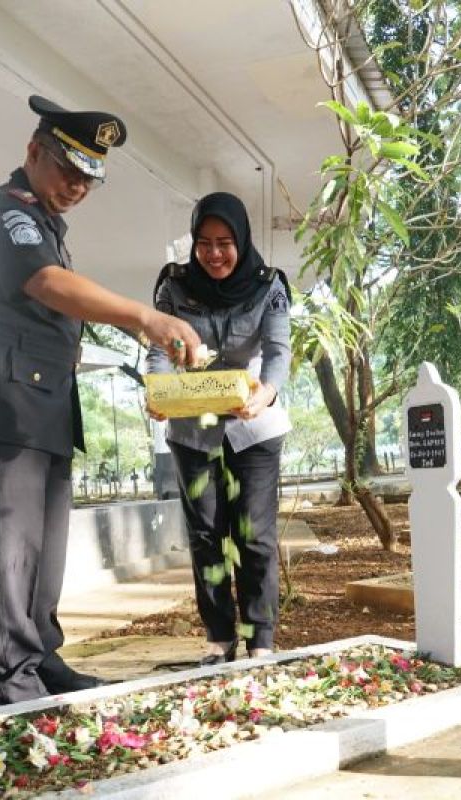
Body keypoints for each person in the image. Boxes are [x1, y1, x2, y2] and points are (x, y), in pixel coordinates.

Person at [0, 95, 201, 707]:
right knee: (12, 546)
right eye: (69, 171)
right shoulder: (8, 214)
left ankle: (41, 657)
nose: (78, 187)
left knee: (45, 546)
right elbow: (48, 285)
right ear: (34, 152)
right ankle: (11, 677)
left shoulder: (48, 225)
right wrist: (144, 317)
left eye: (89, 179)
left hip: (43, 406)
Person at [147, 192, 292, 665]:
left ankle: (262, 639)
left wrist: (266, 392)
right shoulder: (174, 286)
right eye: (204, 243)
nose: (214, 254)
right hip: (194, 429)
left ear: (241, 241)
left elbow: (278, 351)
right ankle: (219, 636)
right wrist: (158, 392)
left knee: (254, 534)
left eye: (225, 242)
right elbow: (160, 348)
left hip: (255, 428)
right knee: (207, 534)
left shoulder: (268, 285)